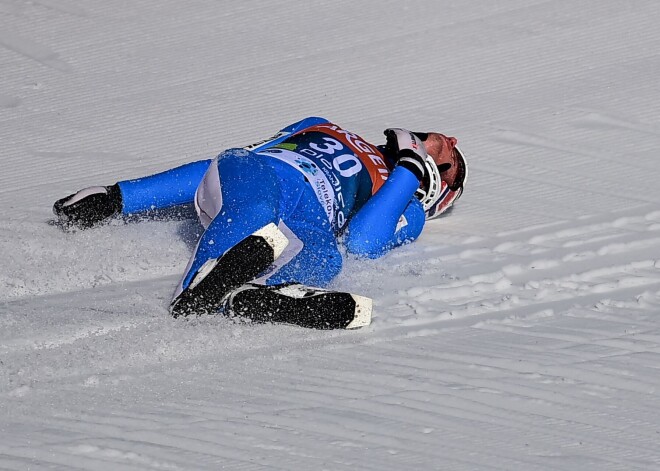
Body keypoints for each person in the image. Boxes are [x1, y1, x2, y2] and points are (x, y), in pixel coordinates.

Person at [53, 117, 468, 329]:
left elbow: (361, 240)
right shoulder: (323, 125)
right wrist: (120, 197)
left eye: (448, 157)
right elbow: (227, 164)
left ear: (440, 190)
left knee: (326, 259)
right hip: (261, 176)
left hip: (309, 220)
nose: (444, 140)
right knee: (254, 207)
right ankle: (200, 292)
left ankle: (249, 295)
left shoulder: (408, 208)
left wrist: (411, 167)